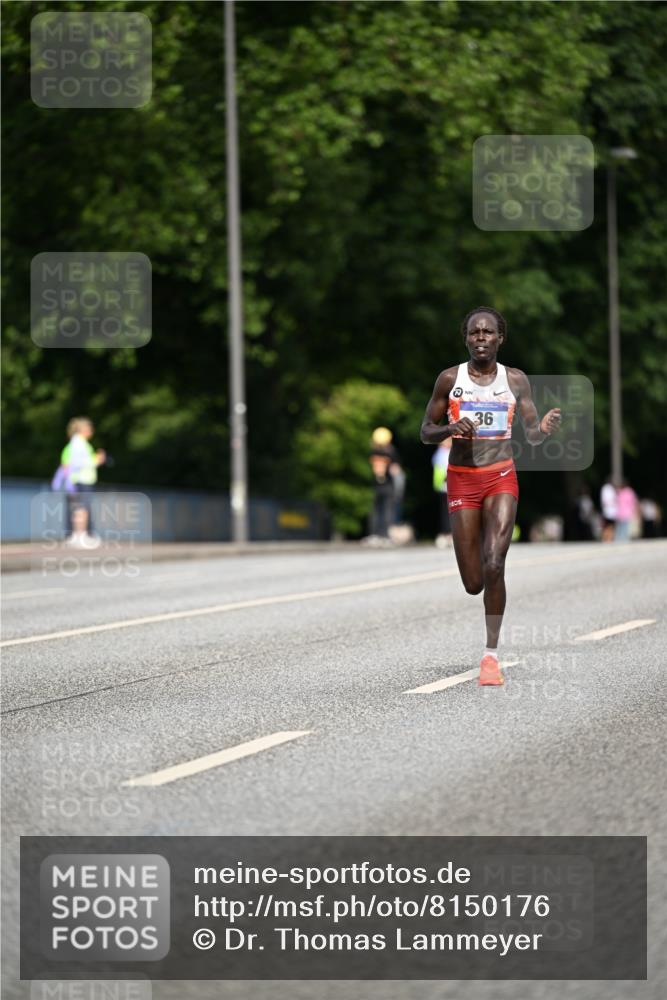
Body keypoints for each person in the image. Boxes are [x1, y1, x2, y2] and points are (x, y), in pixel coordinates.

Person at [420, 306, 561, 685]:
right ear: (466, 338)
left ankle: (490, 656)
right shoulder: (450, 379)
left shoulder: (515, 380)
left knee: (495, 562)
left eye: (488, 332)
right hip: (462, 480)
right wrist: (450, 426)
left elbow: (530, 433)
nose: (481, 338)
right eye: (474, 332)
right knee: (473, 581)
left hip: (500, 476)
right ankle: (482, 571)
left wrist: (543, 428)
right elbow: (425, 431)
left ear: (501, 338)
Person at [61, 417, 106, 547]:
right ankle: (81, 536)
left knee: (78, 508)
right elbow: (79, 463)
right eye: (89, 428)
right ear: (83, 429)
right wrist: (97, 460)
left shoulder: (77, 443)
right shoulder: (79, 443)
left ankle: (77, 536)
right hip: (83, 479)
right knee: (82, 508)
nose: (92, 431)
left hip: (78, 479)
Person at [432, 438, 452, 548]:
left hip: (447, 486)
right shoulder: (442, 453)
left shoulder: (441, 453)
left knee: (449, 512)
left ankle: (449, 533)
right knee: (446, 512)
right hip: (444, 486)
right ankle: (446, 533)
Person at [600, 477, 617, 543]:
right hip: (609, 510)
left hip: (609, 510)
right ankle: (607, 538)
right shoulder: (608, 488)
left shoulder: (607, 488)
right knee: (609, 525)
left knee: (608, 525)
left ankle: (608, 538)